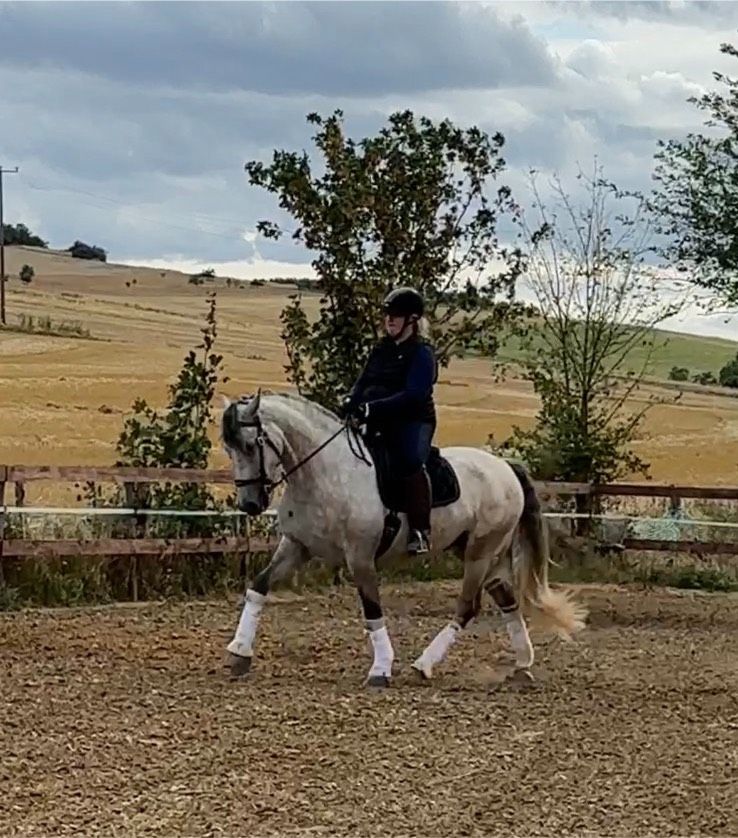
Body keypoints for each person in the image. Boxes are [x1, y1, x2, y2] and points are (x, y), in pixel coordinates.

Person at [338, 286, 438, 555]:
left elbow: (413, 396)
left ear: (412, 321)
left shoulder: (422, 354)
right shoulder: (380, 350)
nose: (389, 320)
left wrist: (371, 409)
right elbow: (363, 382)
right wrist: (351, 402)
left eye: (396, 315)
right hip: (380, 420)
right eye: (387, 315)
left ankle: (420, 531)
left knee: (408, 460)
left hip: (413, 422)